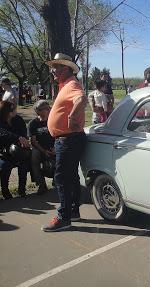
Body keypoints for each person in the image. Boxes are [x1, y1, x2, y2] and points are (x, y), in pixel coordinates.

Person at [42, 53, 87, 232]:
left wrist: (72, 116)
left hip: (69, 140)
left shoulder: (72, 84)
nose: (52, 71)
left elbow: (82, 99)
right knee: (71, 177)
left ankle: (64, 217)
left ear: (65, 68)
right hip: (68, 140)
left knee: (61, 178)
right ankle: (73, 210)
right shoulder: (65, 85)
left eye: (55, 67)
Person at [0, 101, 30, 199]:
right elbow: (2, 133)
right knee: (5, 166)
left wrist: (22, 139)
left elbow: (24, 133)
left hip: (18, 150)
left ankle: (21, 189)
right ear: (9, 112)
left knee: (24, 164)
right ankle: (5, 191)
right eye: (14, 109)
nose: (16, 111)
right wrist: (17, 138)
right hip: (4, 152)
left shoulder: (18, 119)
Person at [28, 100, 55, 195]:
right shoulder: (33, 123)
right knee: (34, 156)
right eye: (46, 108)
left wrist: (55, 148)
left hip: (53, 146)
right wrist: (44, 151)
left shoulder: (53, 120)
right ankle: (41, 184)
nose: (49, 110)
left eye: (49, 108)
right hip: (40, 148)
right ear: (38, 111)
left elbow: (58, 135)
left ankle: (57, 180)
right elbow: (33, 142)